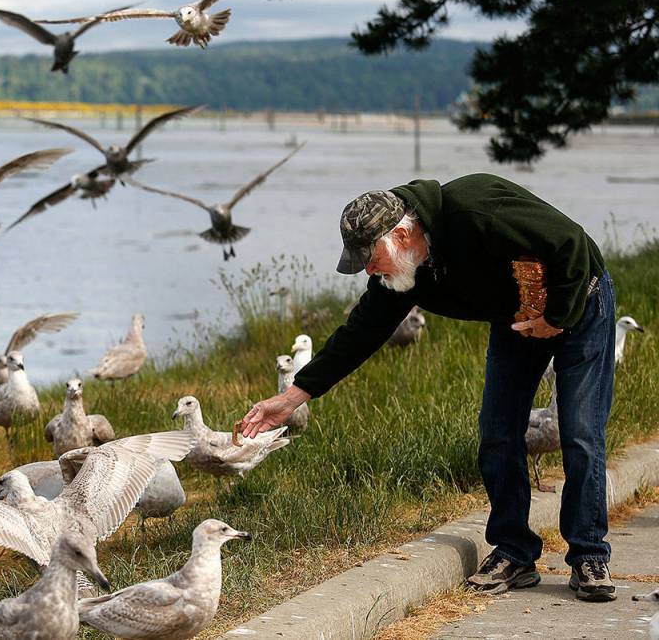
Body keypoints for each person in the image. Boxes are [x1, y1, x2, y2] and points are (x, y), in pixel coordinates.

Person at [240, 173, 616, 601]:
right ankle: (514, 552)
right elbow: (360, 333)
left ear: (401, 233)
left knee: (581, 433)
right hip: (517, 315)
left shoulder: (475, 209)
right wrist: (291, 398)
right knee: (498, 433)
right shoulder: (403, 270)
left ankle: (589, 555)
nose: (368, 269)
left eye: (371, 257)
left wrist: (558, 316)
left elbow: (569, 243)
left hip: (581, 299)